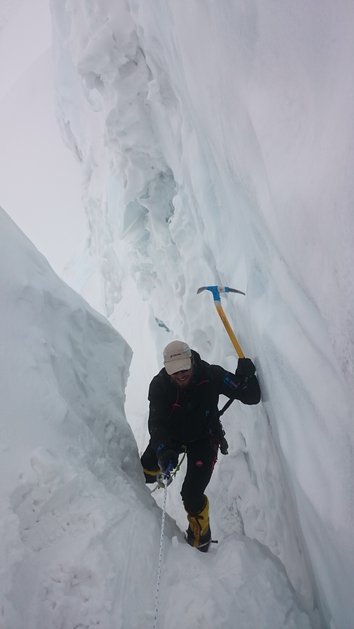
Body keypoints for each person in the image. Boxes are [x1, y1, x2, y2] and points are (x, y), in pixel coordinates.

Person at [141, 340, 261, 552]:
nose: (181, 375)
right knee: (147, 466)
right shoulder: (159, 386)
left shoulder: (211, 375)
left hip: (205, 439)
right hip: (172, 438)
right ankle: (140, 488)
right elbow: (156, 424)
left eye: (184, 369)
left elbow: (251, 396)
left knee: (192, 494)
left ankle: (200, 538)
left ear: (192, 363)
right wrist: (163, 451)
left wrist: (246, 377)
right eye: (174, 371)